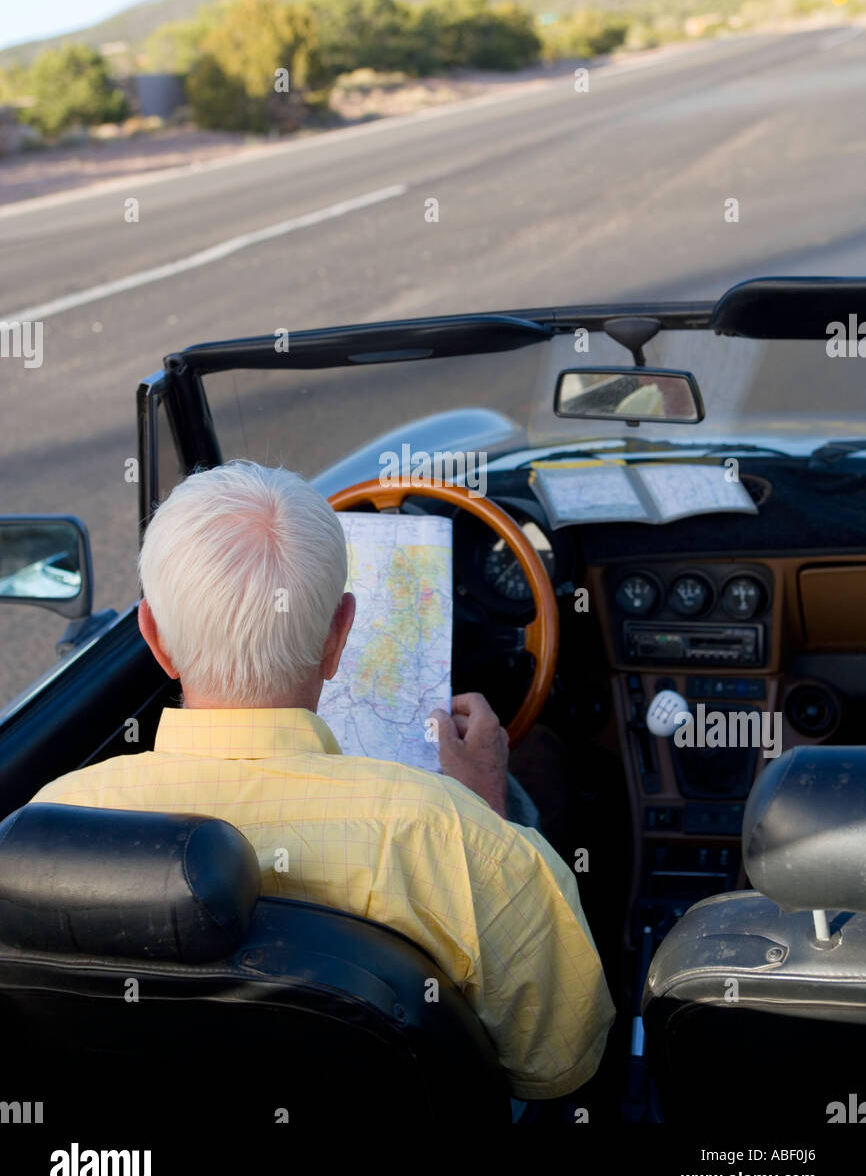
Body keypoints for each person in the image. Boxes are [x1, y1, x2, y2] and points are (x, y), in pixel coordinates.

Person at [29, 461, 615, 1102]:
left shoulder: (50, 830)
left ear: (154, 638)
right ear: (340, 635)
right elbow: (561, 1064)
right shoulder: (453, 838)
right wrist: (487, 810)